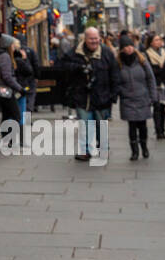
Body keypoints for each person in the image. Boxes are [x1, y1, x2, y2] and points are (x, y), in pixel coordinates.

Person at [57, 26, 119, 165]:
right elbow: (62, 66)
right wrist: (79, 68)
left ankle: (103, 148)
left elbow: (115, 74)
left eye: (96, 38)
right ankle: (85, 151)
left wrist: (114, 95)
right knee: (84, 125)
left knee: (100, 125)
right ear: (85, 39)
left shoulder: (107, 53)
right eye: (91, 39)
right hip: (81, 96)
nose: (94, 41)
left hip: (102, 96)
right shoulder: (74, 53)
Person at [116, 42, 156, 160]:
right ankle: (134, 151)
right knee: (132, 125)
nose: (128, 48)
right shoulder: (118, 63)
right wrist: (121, 92)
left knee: (142, 125)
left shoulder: (142, 60)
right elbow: (115, 80)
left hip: (142, 97)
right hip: (127, 99)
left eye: (130, 46)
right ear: (122, 49)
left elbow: (150, 78)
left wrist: (152, 96)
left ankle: (144, 147)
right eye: (125, 46)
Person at [0, 33, 24, 140]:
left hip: (0, 89)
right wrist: (19, 88)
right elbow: (7, 76)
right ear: (8, 46)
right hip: (4, 90)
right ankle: (12, 139)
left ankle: (6, 138)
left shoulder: (2, 56)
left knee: (6, 115)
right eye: (13, 45)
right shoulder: (5, 57)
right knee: (16, 115)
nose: (14, 47)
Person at [144, 33, 165, 140]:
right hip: (155, 85)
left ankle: (163, 129)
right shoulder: (146, 54)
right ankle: (158, 131)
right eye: (156, 40)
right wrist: (160, 68)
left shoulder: (164, 52)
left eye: (159, 40)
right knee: (157, 107)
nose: (159, 42)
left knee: (163, 108)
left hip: (164, 84)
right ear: (151, 42)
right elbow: (149, 71)